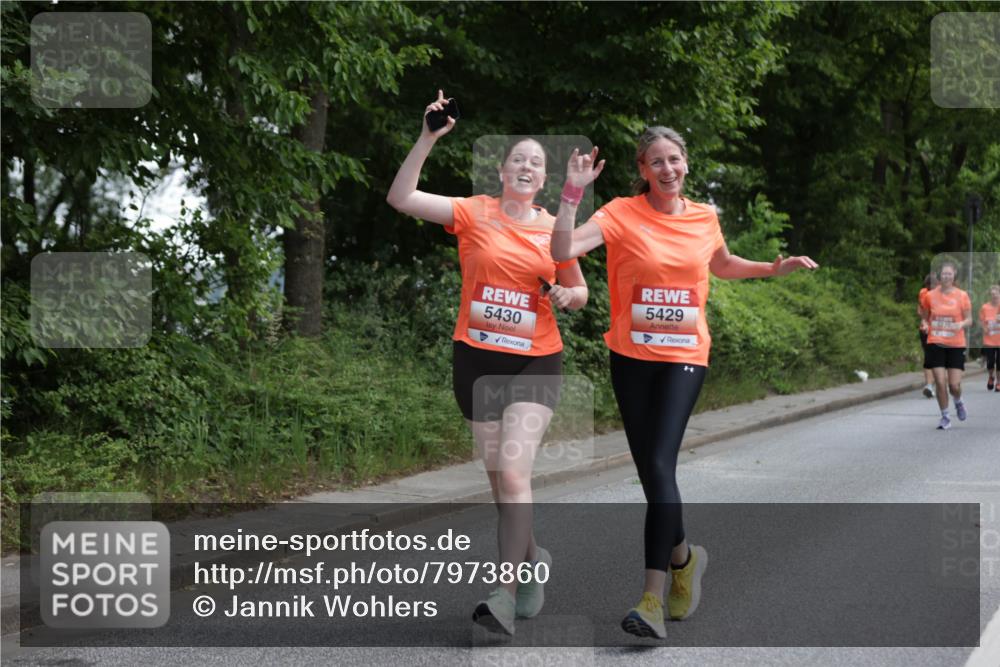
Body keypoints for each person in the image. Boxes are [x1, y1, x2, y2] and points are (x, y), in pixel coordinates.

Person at [551, 126, 818, 640]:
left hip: (685, 356)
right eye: (656, 162)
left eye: (674, 159)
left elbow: (720, 264)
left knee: (657, 464)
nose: (667, 169)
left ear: (686, 164)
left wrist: (772, 267)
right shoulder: (620, 215)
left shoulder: (704, 216)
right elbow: (564, 249)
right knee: (653, 478)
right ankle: (685, 559)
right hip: (630, 355)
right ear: (643, 171)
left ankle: (650, 599)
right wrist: (571, 194)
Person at [386, 91, 588, 636]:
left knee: (516, 474)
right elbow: (401, 198)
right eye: (518, 158)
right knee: (501, 483)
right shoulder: (473, 211)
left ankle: (500, 593)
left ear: (542, 180)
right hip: (474, 361)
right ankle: (533, 559)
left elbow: (580, 289)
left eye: (536, 162)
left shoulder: (555, 230)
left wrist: (570, 297)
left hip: (535, 364)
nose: (526, 165)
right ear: (502, 171)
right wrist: (428, 136)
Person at [919, 261, 972, 429]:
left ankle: (958, 401)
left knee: (954, 385)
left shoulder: (962, 295)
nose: (947, 276)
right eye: (944, 274)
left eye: (950, 274)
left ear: (954, 275)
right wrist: (925, 324)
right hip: (935, 342)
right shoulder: (929, 296)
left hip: (955, 344)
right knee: (940, 382)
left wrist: (961, 324)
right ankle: (945, 417)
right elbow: (925, 317)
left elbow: (970, 319)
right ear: (939, 276)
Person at [918, 273, 939, 398]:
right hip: (928, 330)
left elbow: (920, 311)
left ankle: (933, 384)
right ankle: (930, 385)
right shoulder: (924, 294)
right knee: (930, 357)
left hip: (937, 330)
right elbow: (920, 310)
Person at [979, 284, 1000, 392]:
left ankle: (999, 383)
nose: (994, 296)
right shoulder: (985, 307)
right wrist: (984, 328)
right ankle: (991, 376)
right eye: (992, 294)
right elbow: (981, 321)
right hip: (989, 341)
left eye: (996, 294)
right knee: (990, 362)